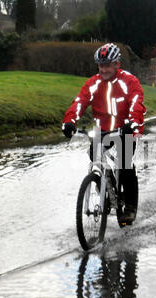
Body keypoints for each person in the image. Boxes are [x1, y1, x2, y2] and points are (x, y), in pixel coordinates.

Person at [62, 43, 146, 223]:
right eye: (101, 65)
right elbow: (80, 102)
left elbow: (137, 103)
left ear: (117, 64)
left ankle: (130, 206)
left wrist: (132, 123)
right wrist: (69, 121)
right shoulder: (93, 83)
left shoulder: (129, 81)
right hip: (103, 131)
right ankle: (105, 189)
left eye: (108, 65)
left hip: (125, 129)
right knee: (94, 154)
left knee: (125, 165)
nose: (104, 69)